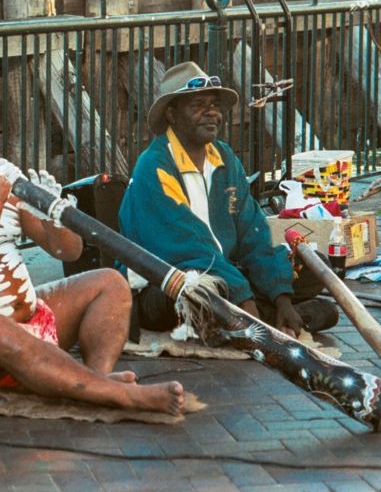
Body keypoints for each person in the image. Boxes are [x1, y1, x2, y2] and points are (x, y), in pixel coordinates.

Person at [0, 94, 185, 416]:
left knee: (109, 283)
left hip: (31, 325)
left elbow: (69, 251)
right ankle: (118, 395)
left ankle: (95, 379)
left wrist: (51, 215)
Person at [118, 62, 338, 338]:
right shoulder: (154, 166)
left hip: (226, 272)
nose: (212, 113)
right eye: (198, 105)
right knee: (201, 291)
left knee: (314, 265)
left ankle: (260, 314)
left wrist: (281, 294)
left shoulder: (223, 157)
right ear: (172, 114)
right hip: (167, 284)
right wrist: (244, 297)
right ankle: (261, 316)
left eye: (214, 105)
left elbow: (253, 231)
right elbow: (188, 249)